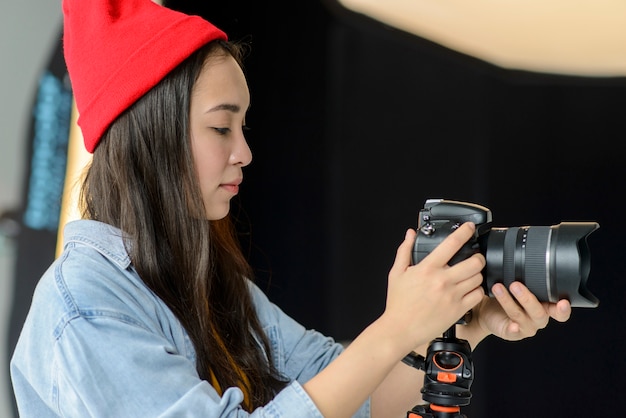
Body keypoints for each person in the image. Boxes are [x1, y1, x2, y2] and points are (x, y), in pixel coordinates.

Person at [9, 0, 572, 417]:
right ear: (150, 136)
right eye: (220, 127)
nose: (244, 152)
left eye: (243, 127)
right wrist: (394, 328)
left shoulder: (209, 286)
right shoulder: (82, 306)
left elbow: (354, 398)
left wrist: (460, 328)